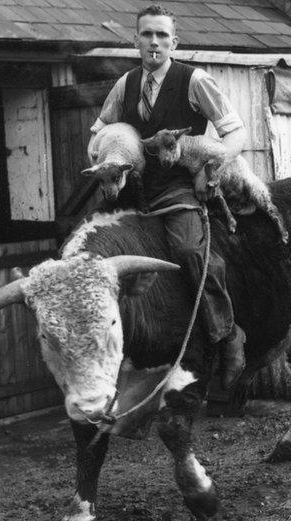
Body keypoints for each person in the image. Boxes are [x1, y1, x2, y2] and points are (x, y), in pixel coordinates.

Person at [90, 4, 246, 387]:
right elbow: (97, 135)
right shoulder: (124, 85)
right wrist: (106, 160)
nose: (154, 42)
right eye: (147, 34)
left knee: (191, 251)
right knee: (89, 246)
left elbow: (236, 133)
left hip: (177, 186)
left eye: (162, 35)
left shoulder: (194, 81)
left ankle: (227, 335)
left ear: (174, 42)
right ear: (136, 40)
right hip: (132, 185)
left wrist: (211, 170)